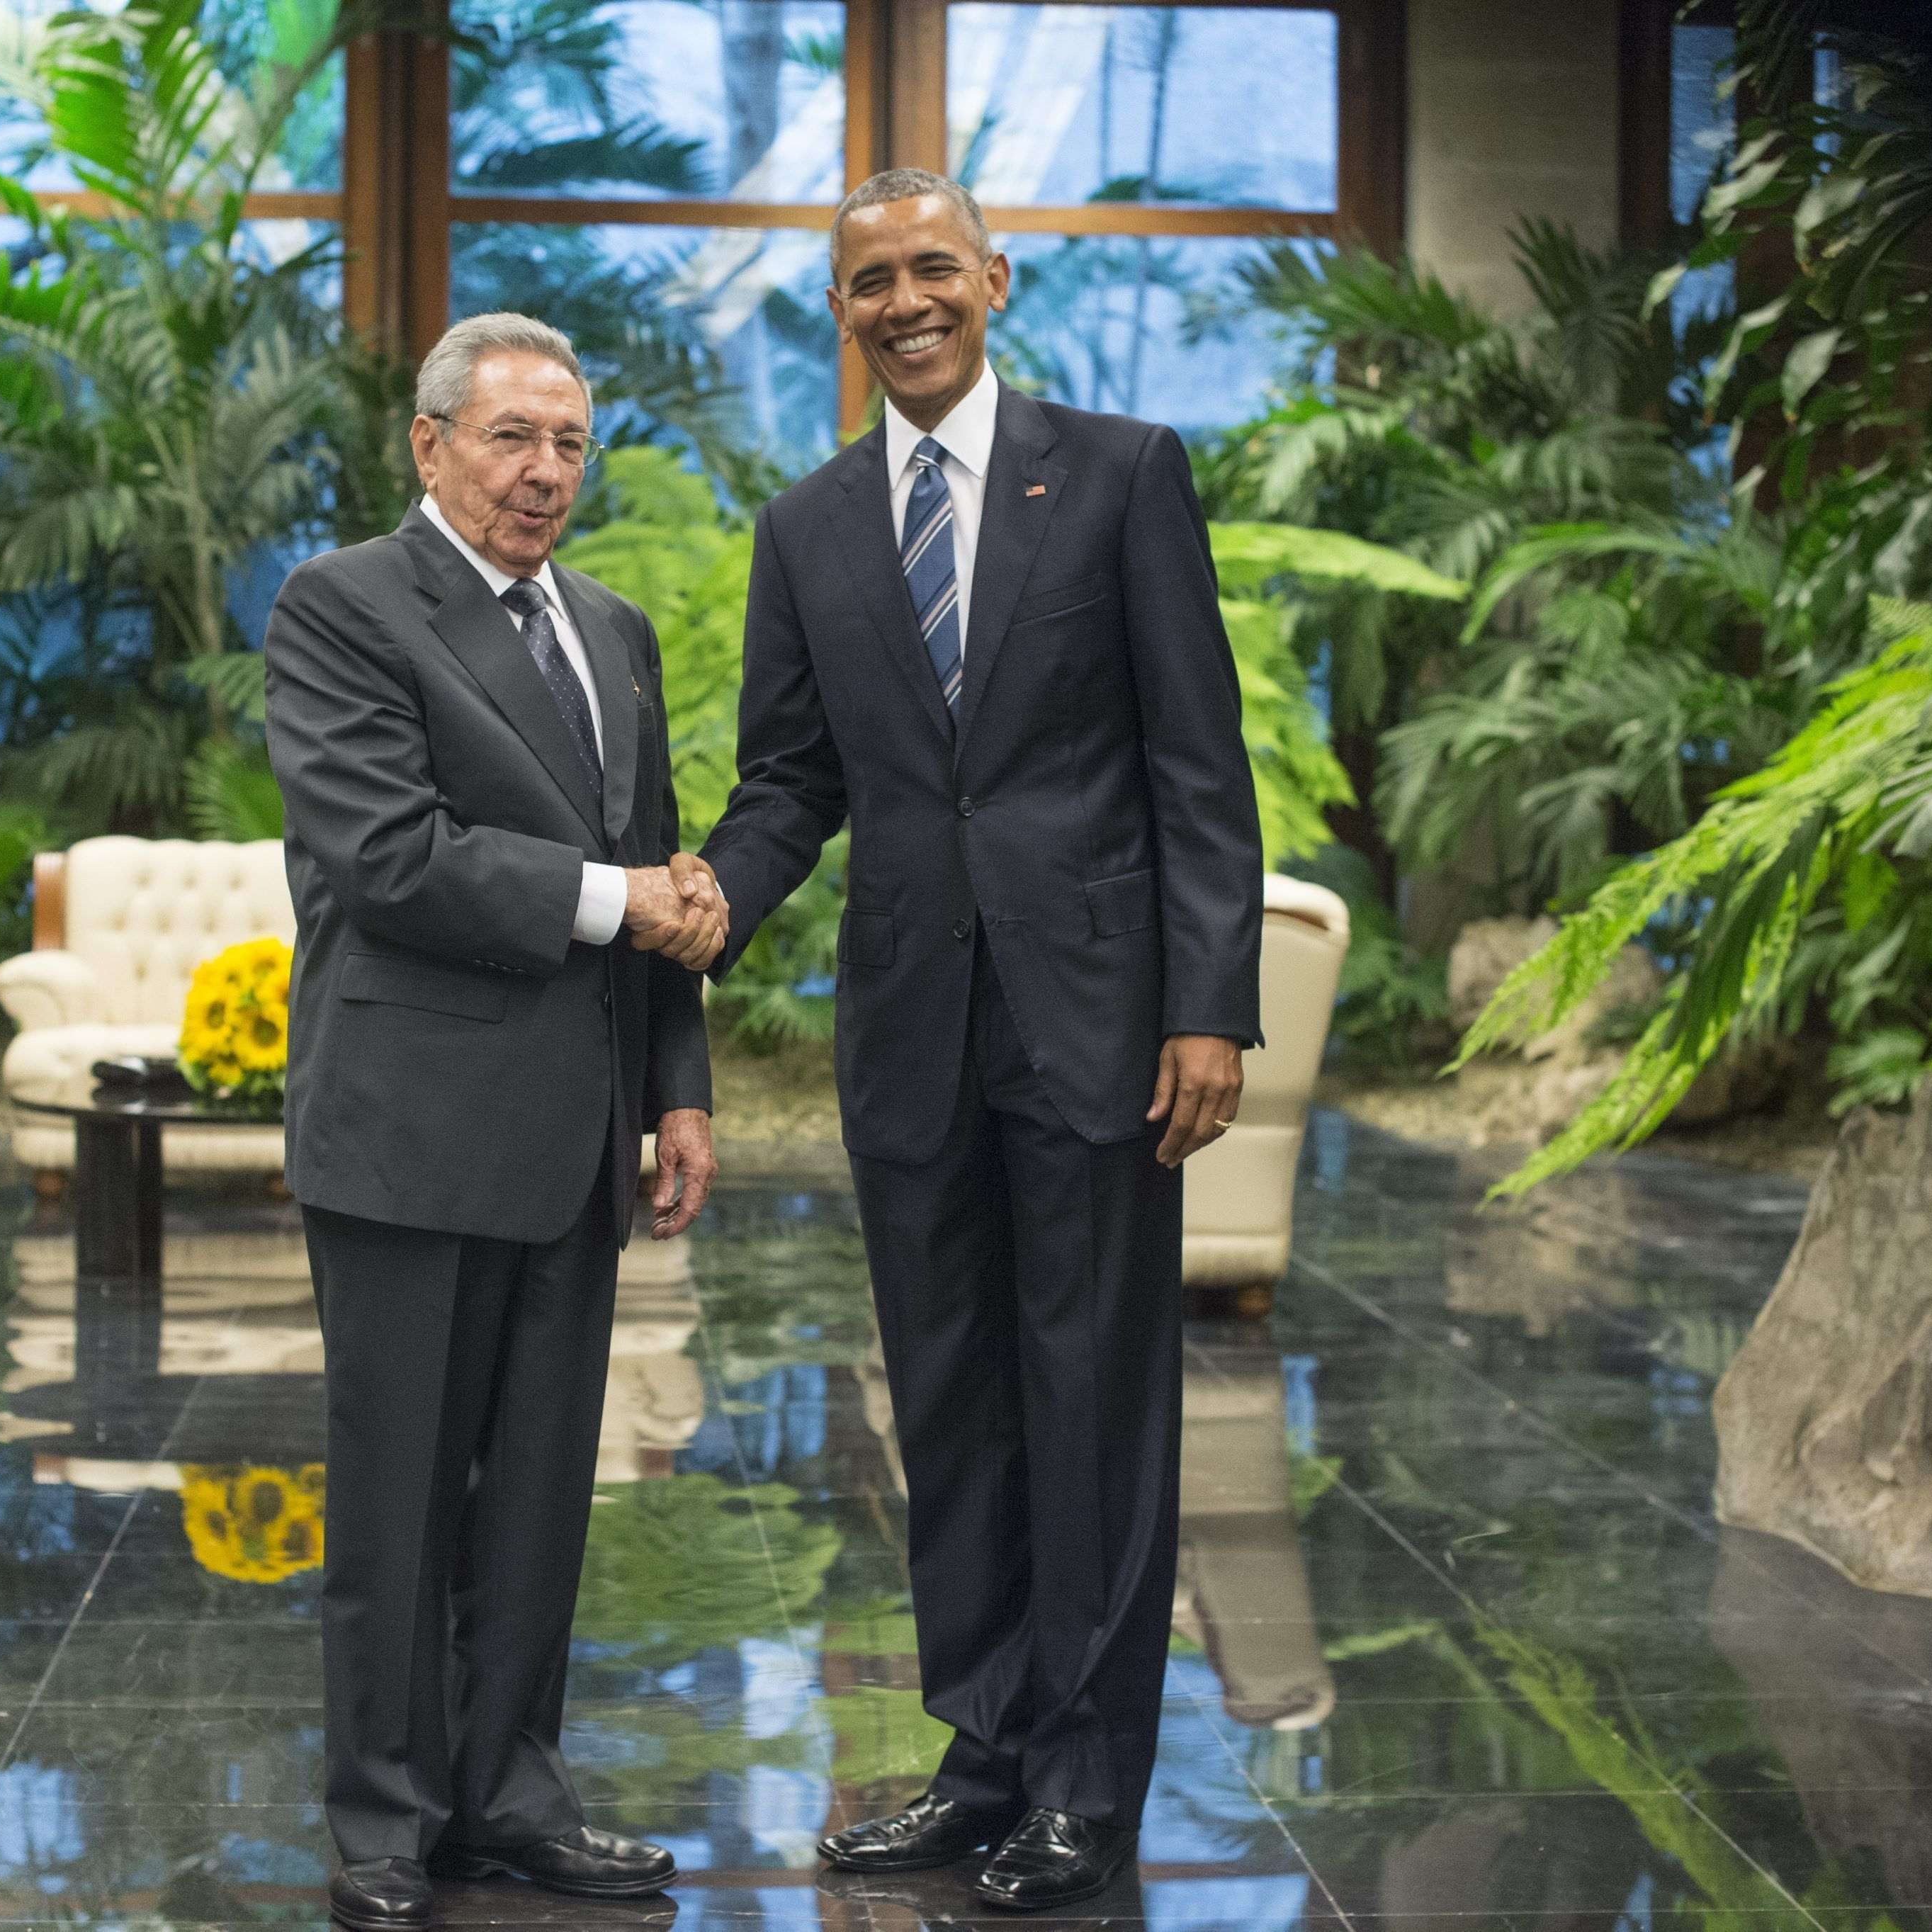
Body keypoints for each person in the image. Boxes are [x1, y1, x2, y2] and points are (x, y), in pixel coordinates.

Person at [694, 170, 1263, 1912]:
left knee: (1091, 1398)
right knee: (947, 1403)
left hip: (1096, 1021)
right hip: (911, 1026)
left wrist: (1205, 1001)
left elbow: (1194, 761)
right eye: (869, 280)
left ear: (991, 279)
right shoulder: (803, 533)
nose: (904, 300)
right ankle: (984, 1751)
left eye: (930, 266)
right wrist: (706, 900)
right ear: (842, 312)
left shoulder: (1119, 475)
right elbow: (794, 780)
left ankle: (1088, 1778)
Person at [262, 312, 730, 1932]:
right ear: (430, 443)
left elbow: (662, 860)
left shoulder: (611, 627)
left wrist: (676, 1086)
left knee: (538, 1488)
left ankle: (511, 1793)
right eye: (511, 439)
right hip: (406, 1125)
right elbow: (391, 858)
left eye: (567, 446)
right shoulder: (341, 606)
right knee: (397, 1497)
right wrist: (623, 903)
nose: (543, 474)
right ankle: (382, 1820)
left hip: (577, 1131)